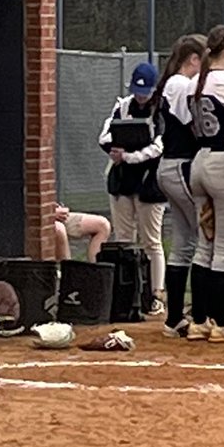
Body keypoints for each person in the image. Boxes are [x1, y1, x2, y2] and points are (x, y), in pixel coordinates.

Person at [186, 25, 224, 341]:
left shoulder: (195, 81)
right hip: (222, 161)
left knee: (204, 244)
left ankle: (198, 319)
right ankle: (221, 322)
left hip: (198, 160)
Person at [98, 61, 166, 316]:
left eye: (145, 91)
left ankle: (155, 294)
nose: (141, 96)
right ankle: (127, 294)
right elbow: (104, 136)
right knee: (124, 239)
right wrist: (117, 153)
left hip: (149, 182)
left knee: (151, 240)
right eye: (138, 91)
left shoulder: (159, 109)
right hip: (123, 181)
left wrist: (130, 156)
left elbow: (159, 146)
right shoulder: (122, 106)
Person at [156, 32, 204, 337]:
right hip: (180, 164)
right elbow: (193, 125)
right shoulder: (180, 84)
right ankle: (197, 314)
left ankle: (176, 317)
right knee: (204, 239)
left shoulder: (173, 83)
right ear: (194, 60)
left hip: (172, 165)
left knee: (185, 242)